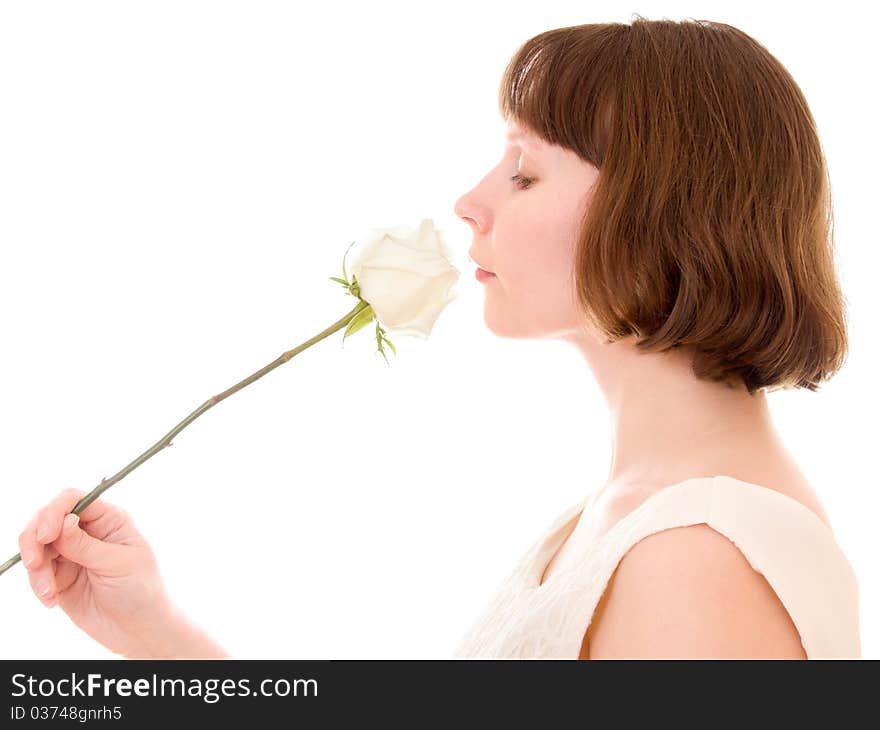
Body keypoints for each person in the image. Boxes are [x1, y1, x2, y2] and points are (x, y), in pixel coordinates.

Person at [18, 17, 861, 659]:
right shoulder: (628, 514)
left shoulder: (699, 558)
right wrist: (156, 633)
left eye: (525, 171)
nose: (471, 201)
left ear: (658, 214)